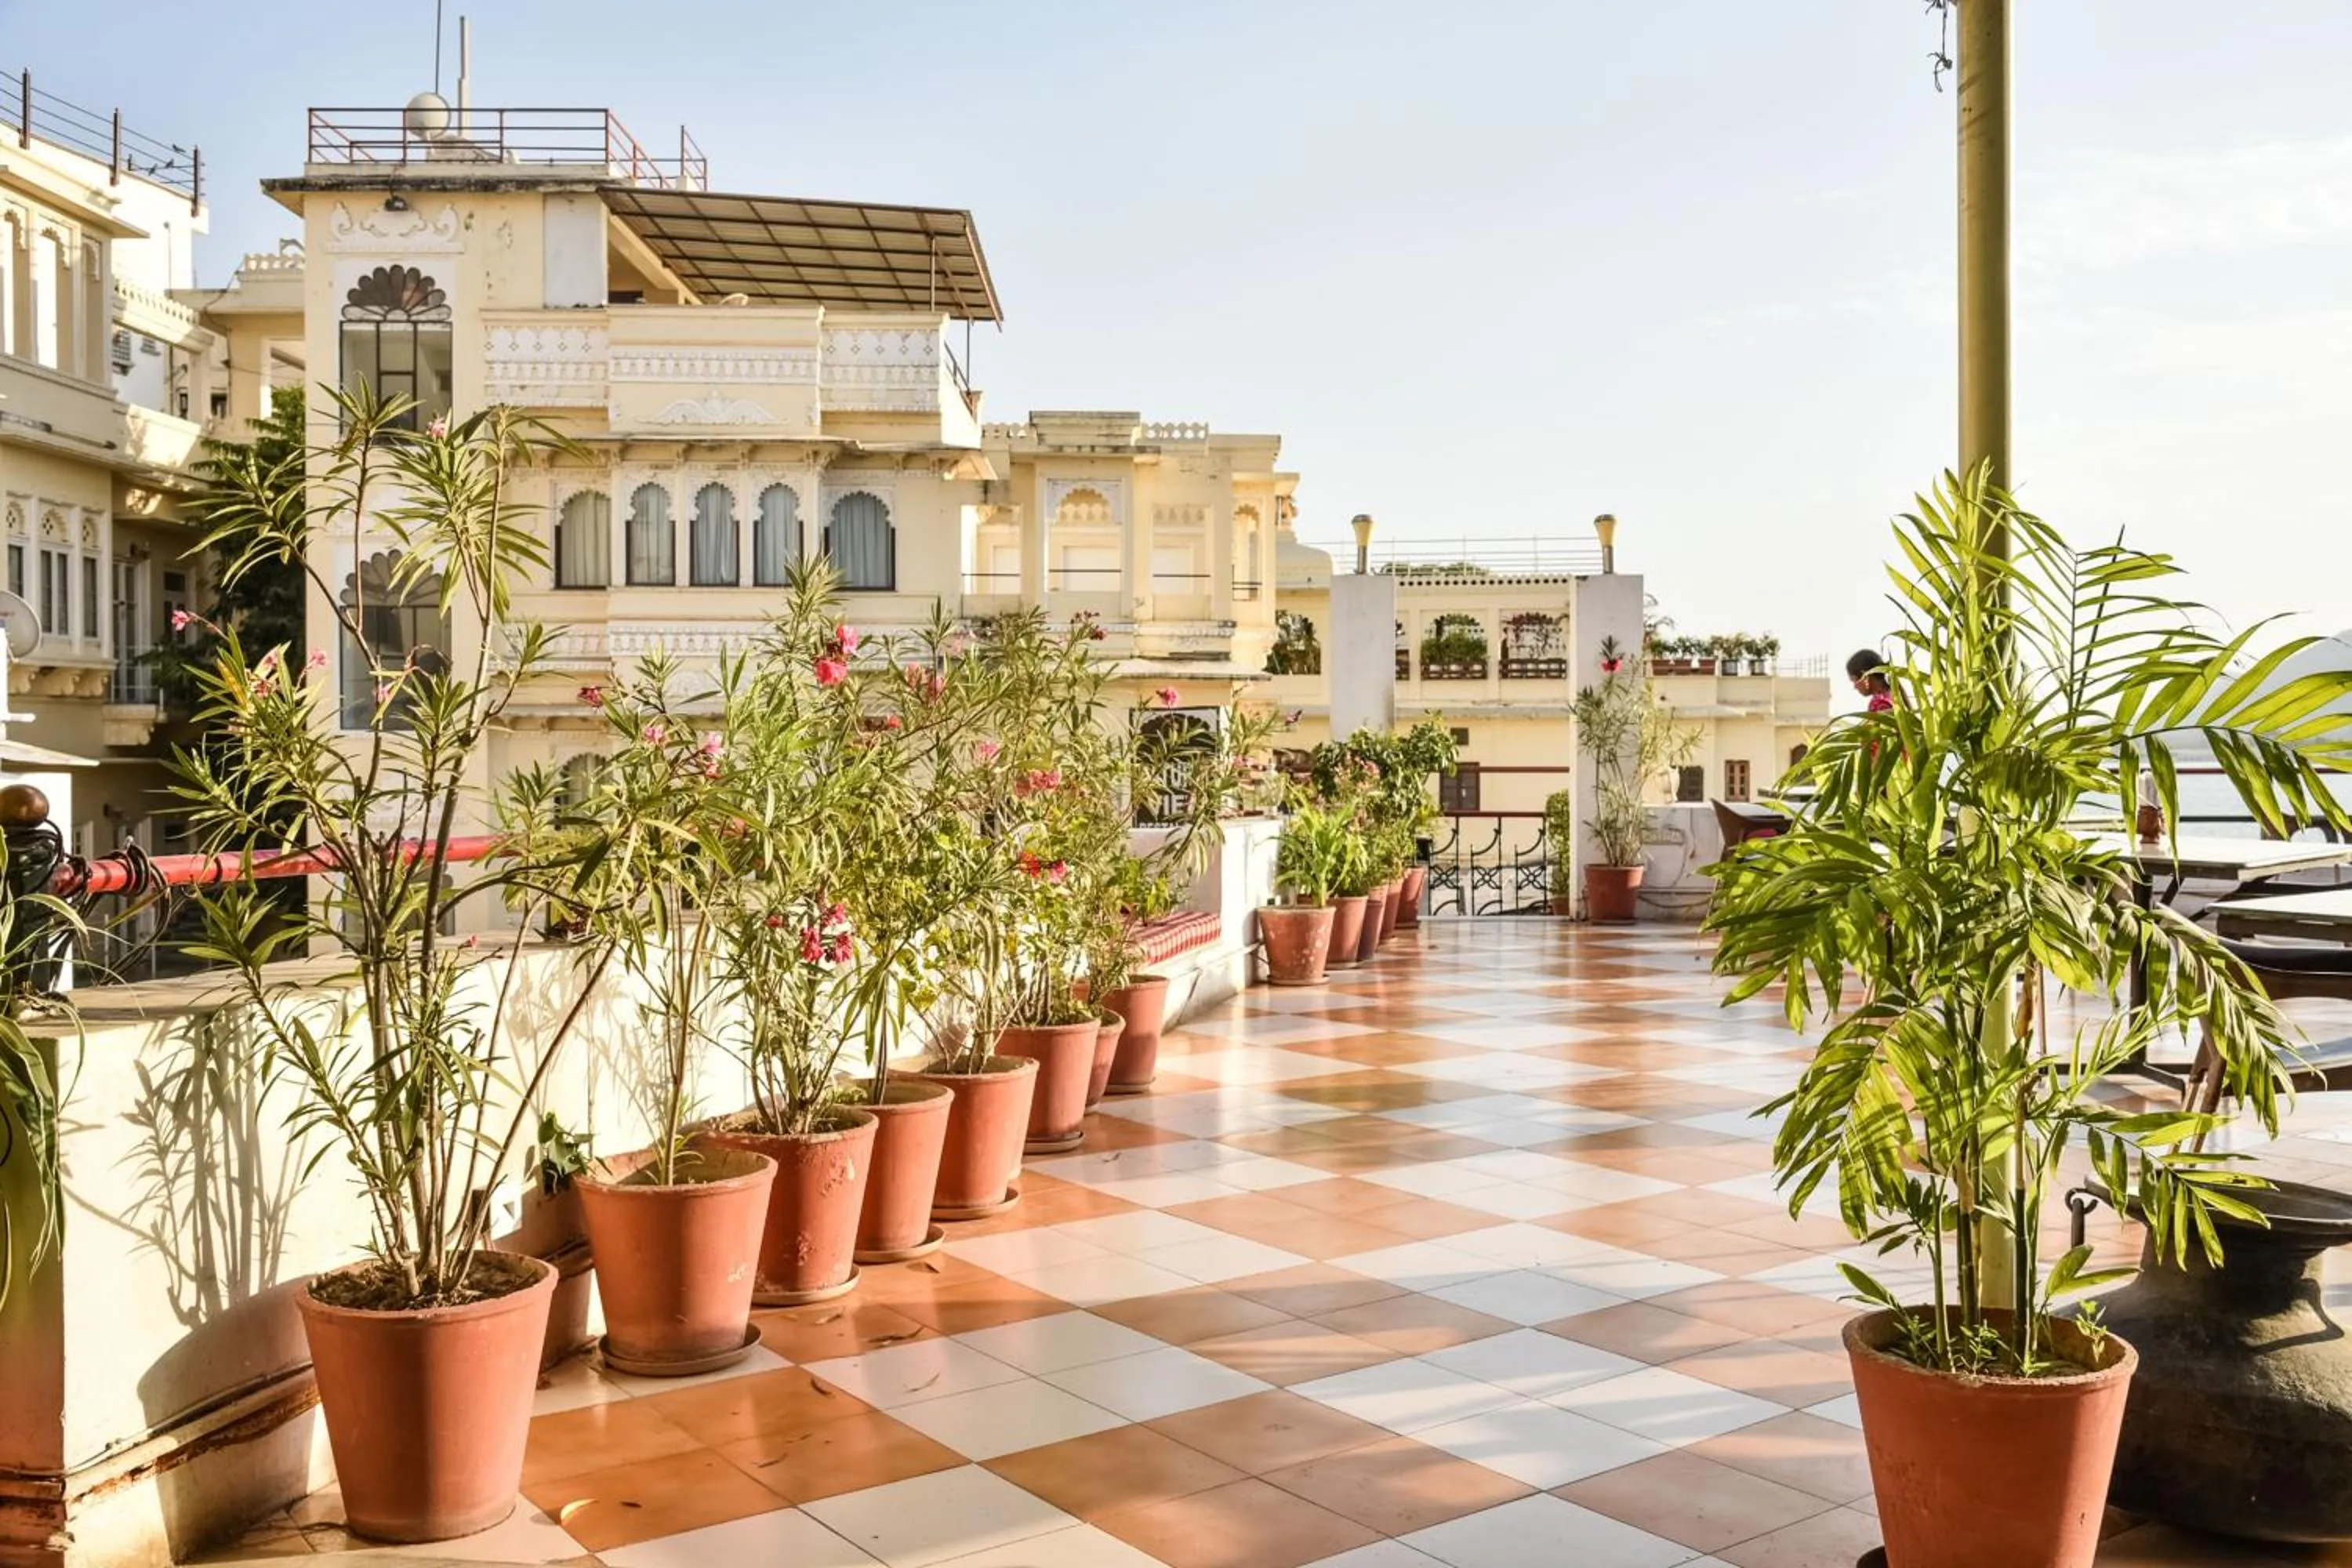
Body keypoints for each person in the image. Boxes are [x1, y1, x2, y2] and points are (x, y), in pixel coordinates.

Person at [1847, 648, 1894, 713]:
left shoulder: (1879, 703)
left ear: (1865, 676)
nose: (1855, 687)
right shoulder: (1896, 696)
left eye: (1854, 680)